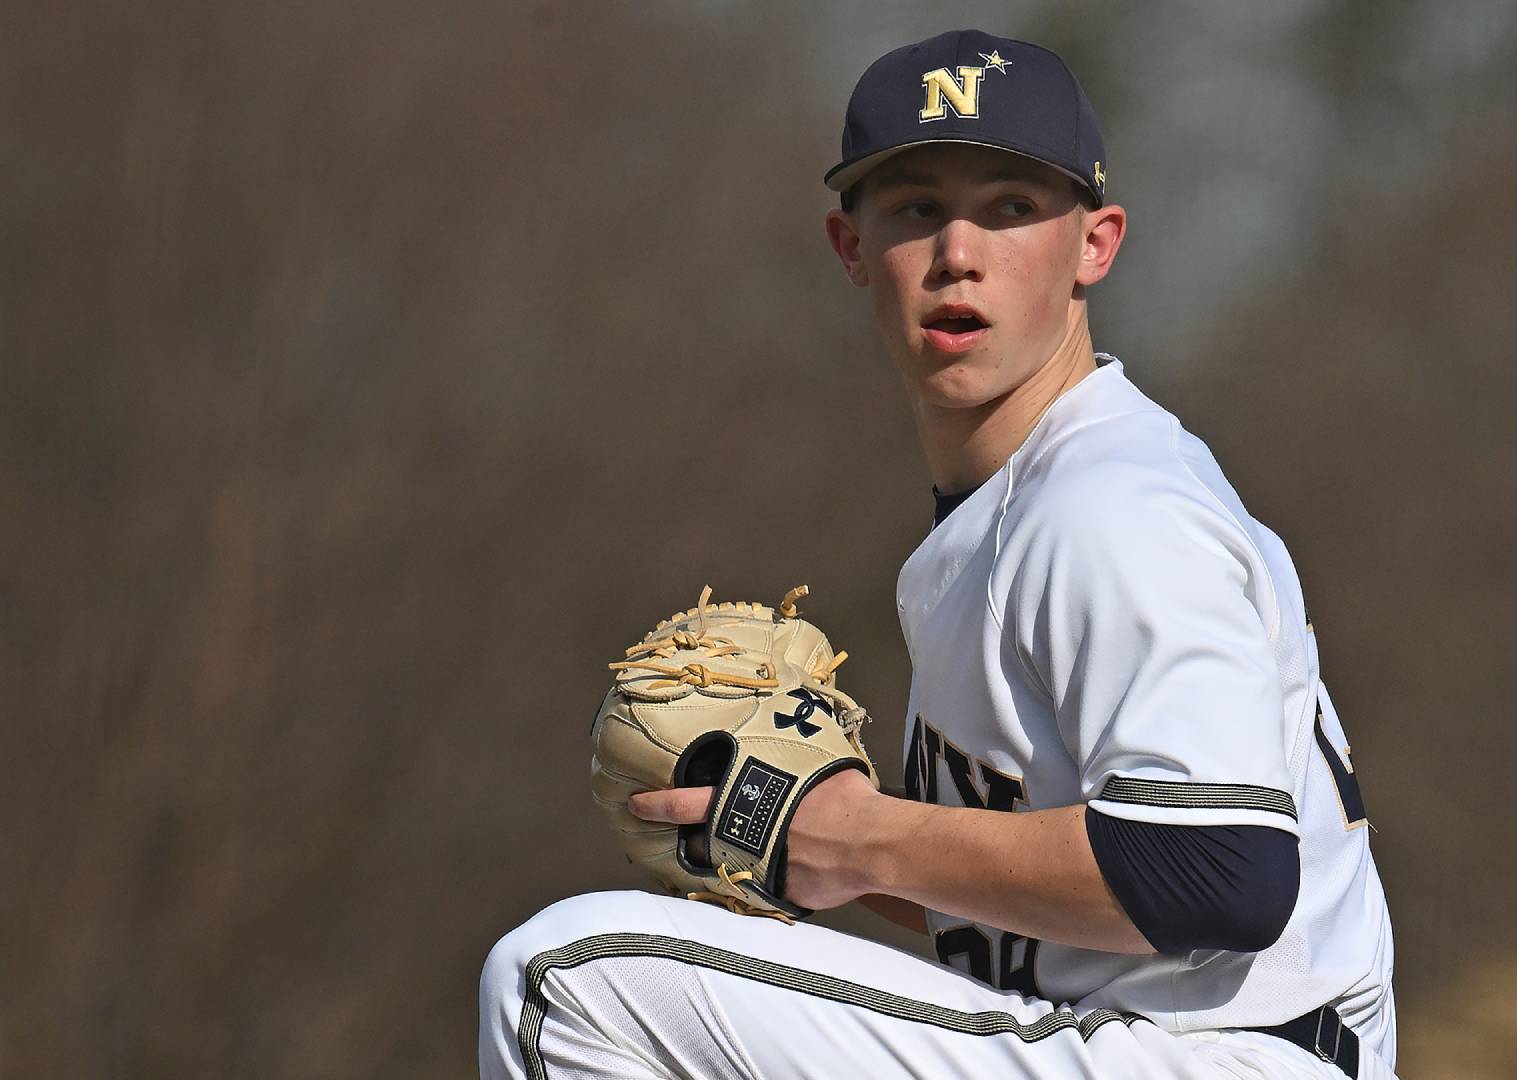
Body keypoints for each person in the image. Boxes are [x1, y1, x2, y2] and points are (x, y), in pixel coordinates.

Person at [481, 28, 1398, 1079]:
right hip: (1132, 1047)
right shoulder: (1010, 513)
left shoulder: (1114, 504)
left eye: (1010, 206)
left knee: (567, 974)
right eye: (918, 207)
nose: (959, 251)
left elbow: (1220, 872)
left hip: (1227, 1061)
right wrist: (815, 846)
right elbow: (1062, 915)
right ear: (850, 246)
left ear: (1096, 246)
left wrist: (861, 834)